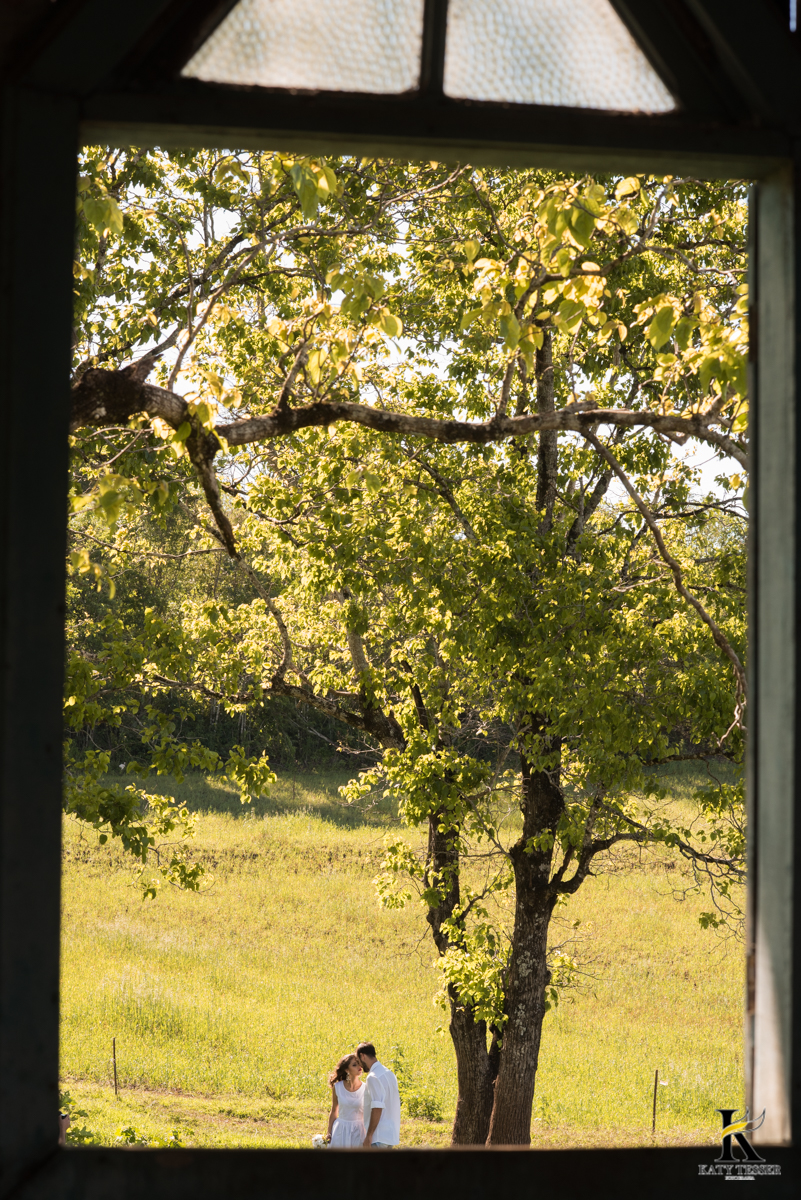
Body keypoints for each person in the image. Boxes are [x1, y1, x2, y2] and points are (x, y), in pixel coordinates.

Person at [356, 1042, 401, 1148]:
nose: (360, 1066)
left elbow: (377, 1107)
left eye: (359, 1061)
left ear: (362, 1056)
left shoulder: (372, 1077)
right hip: (391, 1135)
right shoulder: (389, 1073)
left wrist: (369, 1135)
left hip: (378, 1136)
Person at [326, 1053, 365, 1147]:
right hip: (341, 1129)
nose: (359, 1067)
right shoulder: (338, 1087)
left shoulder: (366, 1088)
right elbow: (334, 1110)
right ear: (347, 1070)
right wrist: (329, 1132)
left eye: (359, 1063)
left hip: (359, 1130)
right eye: (354, 1065)